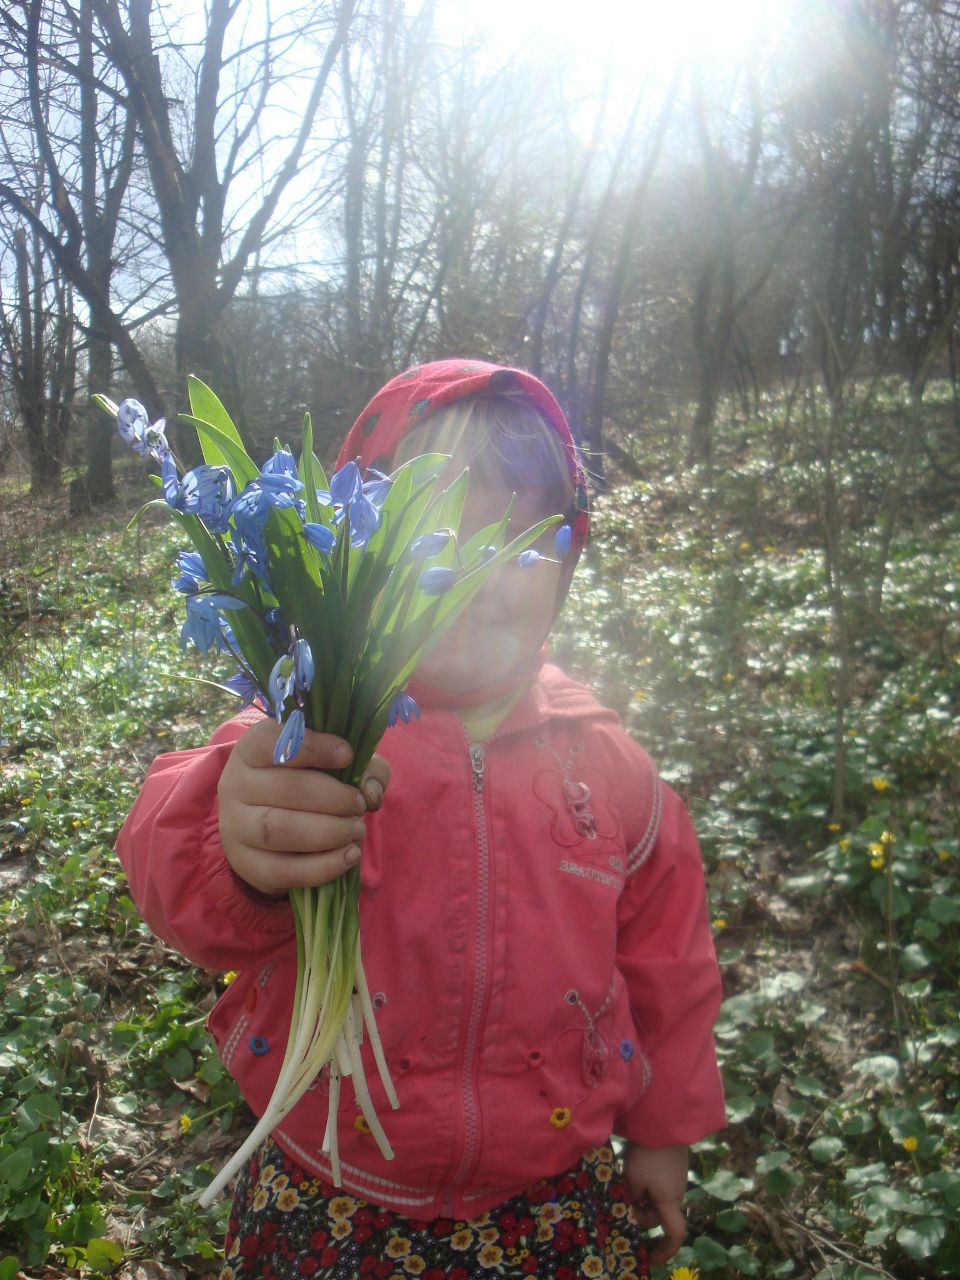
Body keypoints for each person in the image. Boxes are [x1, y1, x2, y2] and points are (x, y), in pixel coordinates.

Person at [116, 359, 725, 1280]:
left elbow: (671, 970)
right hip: (326, 1182)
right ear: (351, 552)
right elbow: (174, 865)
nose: (481, 575)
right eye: (437, 531)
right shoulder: (313, 736)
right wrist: (235, 842)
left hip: (554, 1193)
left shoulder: (611, 769)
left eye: (521, 536)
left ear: (569, 556)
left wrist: (665, 1135)